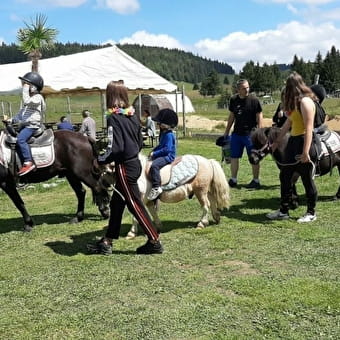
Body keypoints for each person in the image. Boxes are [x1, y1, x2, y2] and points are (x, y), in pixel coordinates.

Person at [87, 80, 163, 255]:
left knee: (134, 204)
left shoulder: (113, 117)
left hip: (124, 168)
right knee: (117, 203)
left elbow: (116, 147)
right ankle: (107, 241)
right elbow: (138, 143)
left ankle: (154, 241)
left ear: (111, 96)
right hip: (134, 162)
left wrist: (102, 158)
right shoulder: (132, 116)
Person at [266, 71, 318, 223]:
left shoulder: (306, 103)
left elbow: (308, 128)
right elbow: (288, 123)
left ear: (293, 86)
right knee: (285, 176)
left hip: (304, 142)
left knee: (307, 179)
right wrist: (276, 142)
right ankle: (283, 211)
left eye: (287, 87)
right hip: (293, 142)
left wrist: (305, 152)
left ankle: (311, 212)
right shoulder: (296, 103)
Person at [3, 72, 46, 176]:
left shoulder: (38, 97)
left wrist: (25, 89)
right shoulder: (28, 103)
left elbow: (27, 101)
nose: (24, 86)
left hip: (32, 126)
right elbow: (20, 115)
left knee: (21, 139)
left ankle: (28, 162)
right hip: (26, 125)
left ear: (34, 87)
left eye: (27, 84)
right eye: (24, 84)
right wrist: (10, 120)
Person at [224, 79, 263, 189]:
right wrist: (227, 131)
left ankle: (256, 181)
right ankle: (233, 179)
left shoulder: (254, 100)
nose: (246, 90)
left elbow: (259, 115)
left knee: (254, 157)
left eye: (247, 87)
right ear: (238, 89)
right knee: (234, 157)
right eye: (244, 88)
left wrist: (260, 131)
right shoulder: (233, 100)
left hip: (251, 134)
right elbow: (232, 116)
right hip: (236, 134)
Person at [147, 108, 178, 201]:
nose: (157, 124)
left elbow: (167, 149)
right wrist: (153, 151)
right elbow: (160, 146)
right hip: (163, 154)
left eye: (159, 123)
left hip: (168, 157)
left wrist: (155, 153)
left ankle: (156, 187)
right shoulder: (163, 133)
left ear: (165, 124)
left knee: (154, 165)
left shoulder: (169, 135)